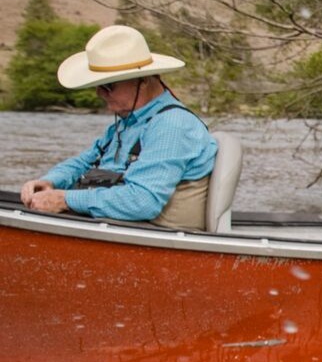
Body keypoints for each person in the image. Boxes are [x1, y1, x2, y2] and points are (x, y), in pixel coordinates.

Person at [17, 25, 218, 230]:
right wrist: (51, 181)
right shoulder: (129, 122)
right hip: (123, 229)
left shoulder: (171, 125)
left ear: (143, 81)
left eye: (108, 86)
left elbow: (142, 201)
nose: (99, 93)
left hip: (150, 239)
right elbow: (86, 161)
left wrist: (65, 200)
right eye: (98, 85)